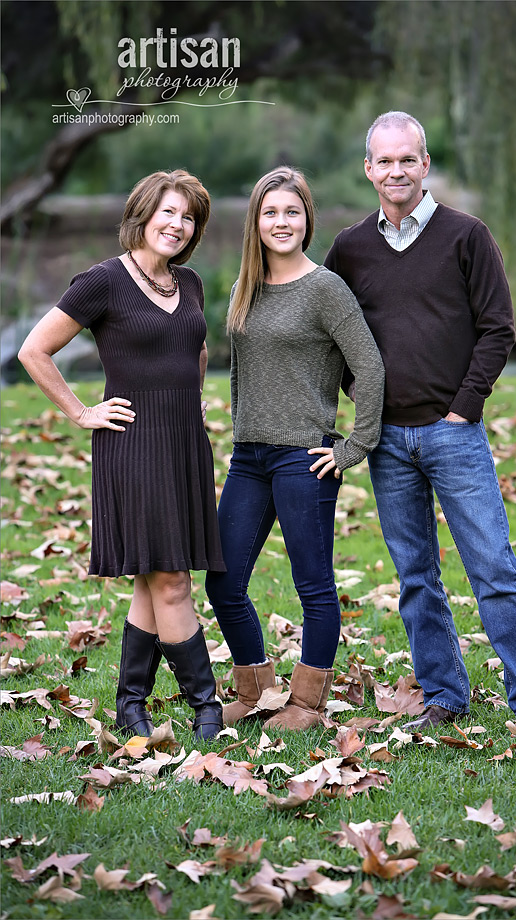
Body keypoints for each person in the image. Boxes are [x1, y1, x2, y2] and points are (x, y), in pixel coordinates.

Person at [324, 112, 516, 733]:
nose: (396, 171)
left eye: (408, 159)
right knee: (415, 577)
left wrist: (464, 407)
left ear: (425, 165)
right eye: (385, 161)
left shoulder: (466, 235)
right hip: (387, 441)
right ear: (368, 169)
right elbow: (329, 334)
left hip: (454, 432)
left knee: (493, 568)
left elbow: (497, 328)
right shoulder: (349, 249)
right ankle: (444, 696)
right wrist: (363, 400)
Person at [18, 169, 225, 743]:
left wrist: (196, 403)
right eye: (169, 213)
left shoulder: (190, 285)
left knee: (151, 580)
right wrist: (82, 412)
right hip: (132, 444)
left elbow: (197, 348)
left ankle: (130, 705)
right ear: (143, 214)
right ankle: (205, 707)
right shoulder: (102, 281)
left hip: (183, 441)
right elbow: (34, 351)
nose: (178, 225)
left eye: (188, 217)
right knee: (173, 580)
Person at [205, 167, 385, 731]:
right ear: (255, 223)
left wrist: (354, 446)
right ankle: (255, 689)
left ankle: (306, 703)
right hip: (250, 457)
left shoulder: (326, 288)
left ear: (307, 219)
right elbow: (242, 374)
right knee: (223, 579)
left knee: (313, 584)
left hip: (305, 457)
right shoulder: (245, 288)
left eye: (291, 211)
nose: (281, 222)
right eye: (270, 213)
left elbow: (370, 367)